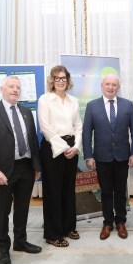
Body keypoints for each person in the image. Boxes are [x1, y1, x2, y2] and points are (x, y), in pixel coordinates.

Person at [0, 76, 42, 264]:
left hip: (26, 167)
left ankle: (20, 242)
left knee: (23, 208)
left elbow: (33, 141)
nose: (15, 90)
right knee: (3, 210)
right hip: (3, 170)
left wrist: (36, 166)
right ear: (2, 89)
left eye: (18, 87)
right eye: (11, 87)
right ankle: (3, 250)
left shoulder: (26, 111)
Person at [82, 74, 133, 240]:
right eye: (107, 84)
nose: (110, 87)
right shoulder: (92, 106)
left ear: (118, 87)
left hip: (123, 157)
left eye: (114, 85)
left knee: (121, 191)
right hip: (101, 157)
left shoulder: (128, 105)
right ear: (102, 86)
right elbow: (87, 133)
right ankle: (107, 223)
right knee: (106, 192)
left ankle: (121, 222)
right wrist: (88, 156)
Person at [38, 65, 82, 247]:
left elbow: (78, 125)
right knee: (53, 191)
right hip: (53, 149)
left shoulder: (74, 101)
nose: (61, 81)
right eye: (57, 78)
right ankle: (53, 233)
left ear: (68, 80)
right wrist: (63, 147)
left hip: (71, 148)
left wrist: (76, 147)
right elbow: (45, 127)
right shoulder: (45, 99)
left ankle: (68, 226)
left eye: (64, 78)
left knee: (68, 190)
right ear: (52, 80)